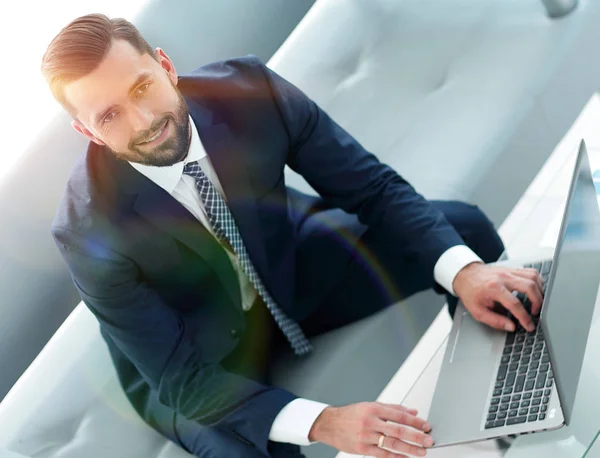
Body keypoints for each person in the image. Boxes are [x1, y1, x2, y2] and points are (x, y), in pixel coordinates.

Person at [42, 13, 544, 458]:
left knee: (464, 239)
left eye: (141, 87)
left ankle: (504, 408)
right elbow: (183, 382)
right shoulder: (85, 229)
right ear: (88, 133)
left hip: (290, 267)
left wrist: (468, 274)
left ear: (165, 66)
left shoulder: (250, 91)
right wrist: (327, 421)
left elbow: (373, 189)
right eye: (109, 115)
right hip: (200, 357)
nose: (145, 120)